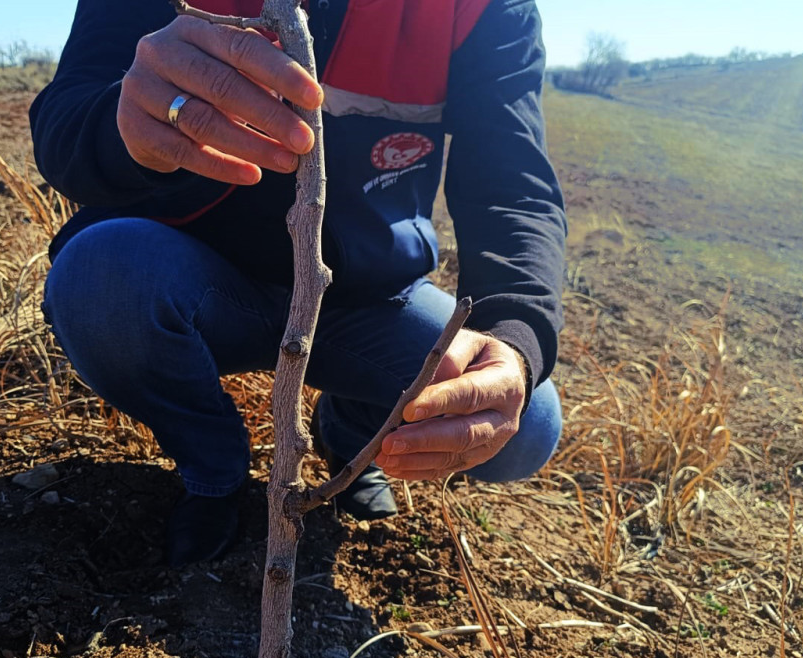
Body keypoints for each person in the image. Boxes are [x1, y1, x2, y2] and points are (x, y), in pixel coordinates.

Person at [31, 0, 566, 567]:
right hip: (180, 269)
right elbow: (64, 121)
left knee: (527, 418)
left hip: (364, 296)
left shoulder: (484, 9)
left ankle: (349, 431)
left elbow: (512, 186)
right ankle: (213, 473)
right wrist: (126, 123)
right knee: (99, 283)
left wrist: (514, 334)